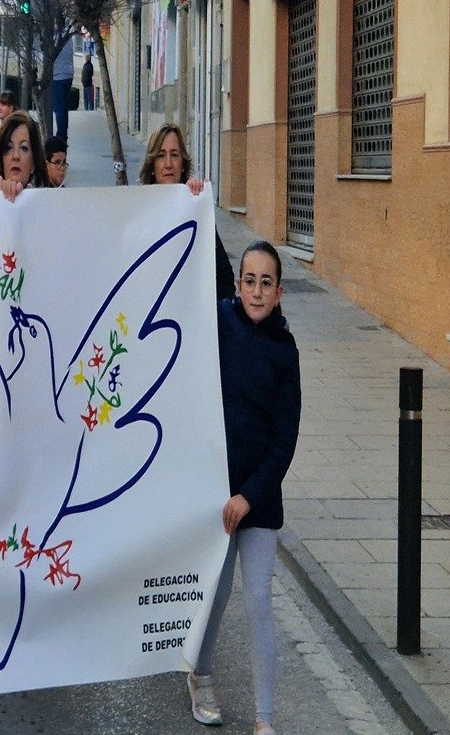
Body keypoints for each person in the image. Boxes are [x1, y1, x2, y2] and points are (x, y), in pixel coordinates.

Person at [187, 241, 301, 735]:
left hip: (257, 497)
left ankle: (265, 719)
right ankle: (200, 674)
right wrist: (186, 199)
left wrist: (249, 496)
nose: (256, 290)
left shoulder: (285, 351)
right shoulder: (218, 322)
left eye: (266, 282)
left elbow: (285, 436)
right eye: (249, 280)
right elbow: (180, 289)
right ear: (237, 287)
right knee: (215, 592)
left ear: (278, 292)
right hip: (213, 489)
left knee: (258, 600)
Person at [139, 123, 235, 301]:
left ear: (182, 163)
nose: (168, 164)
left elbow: (224, 280)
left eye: (174, 155)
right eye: (161, 155)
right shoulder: (138, 211)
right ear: (152, 165)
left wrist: (199, 207)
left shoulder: (196, 208)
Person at [0, 109, 49, 190]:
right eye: (8, 148)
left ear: (34, 161)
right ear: (1, 157)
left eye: (24, 148)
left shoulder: (49, 199)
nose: (16, 156)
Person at [51, 47, 73, 142]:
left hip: (58, 75)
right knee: (63, 109)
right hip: (68, 73)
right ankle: (63, 134)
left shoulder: (55, 37)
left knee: (59, 108)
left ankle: (61, 135)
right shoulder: (68, 37)